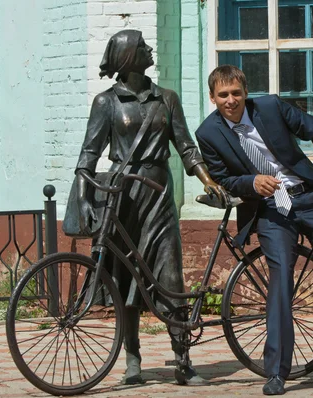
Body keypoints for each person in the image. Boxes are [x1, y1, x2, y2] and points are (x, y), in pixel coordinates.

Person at [195, 65, 313, 395]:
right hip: (270, 210)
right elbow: (223, 179)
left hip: (311, 199)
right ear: (212, 97)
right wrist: (251, 182)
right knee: (282, 278)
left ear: (245, 92)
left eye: (236, 93)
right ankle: (276, 372)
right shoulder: (208, 133)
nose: (231, 101)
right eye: (223, 95)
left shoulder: (271, 107)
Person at [74, 30, 225, 386]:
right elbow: (88, 156)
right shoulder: (105, 102)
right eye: (142, 46)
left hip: (158, 195)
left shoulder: (166, 99)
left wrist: (207, 180)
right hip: (122, 196)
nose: (149, 49)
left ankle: (182, 360)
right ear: (128, 57)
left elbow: (186, 147)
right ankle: (132, 361)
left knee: (170, 274)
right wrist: (83, 197)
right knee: (125, 279)